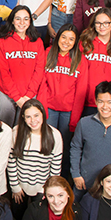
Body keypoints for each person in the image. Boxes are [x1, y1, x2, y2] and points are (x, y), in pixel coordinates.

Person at [37, 23, 87, 176]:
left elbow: (81, 92)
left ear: (75, 42)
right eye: (63, 37)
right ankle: (44, 177)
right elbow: (42, 85)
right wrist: (43, 111)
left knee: (65, 147)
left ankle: (62, 179)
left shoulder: (80, 60)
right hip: (49, 109)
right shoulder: (47, 54)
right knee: (47, 145)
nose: (66, 41)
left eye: (71, 39)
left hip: (68, 112)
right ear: (57, 37)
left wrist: (74, 119)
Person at [8, 99, 63, 215]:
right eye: (28, 117)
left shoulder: (55, 135)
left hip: (42, 187)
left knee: (37, 217)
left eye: (36, 115)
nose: (33, 120)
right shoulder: (16, 132)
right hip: (20, 186)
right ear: (23, 117)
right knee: (17, 216)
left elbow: (55, 168)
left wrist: (47, 190)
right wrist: (15, 187)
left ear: (43, 114)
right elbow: (11, 162)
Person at [0, 5, 45, 126]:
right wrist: (17, 98)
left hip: (30, 95)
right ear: (12, 20)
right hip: (6, 94)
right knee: (4, 130)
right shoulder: (3, 41)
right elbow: (3, 73)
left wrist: (28, 96)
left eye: (26, 19)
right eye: (18, 18)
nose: (22, 22)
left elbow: (39, 71)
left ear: (30, 21)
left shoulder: (37, 42)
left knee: (23, 133)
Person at [80, 9, 111, 112]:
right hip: (85, 100)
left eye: (106, 23)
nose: (102, 27)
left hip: (109, 102)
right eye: (98, 23)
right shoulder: (85, 43)